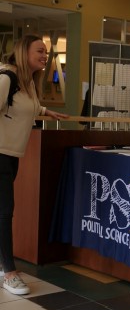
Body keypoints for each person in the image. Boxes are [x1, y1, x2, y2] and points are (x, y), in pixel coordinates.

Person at [0, 34, 69, 295]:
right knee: (5, 213)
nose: (44, 56)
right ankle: (9, 272)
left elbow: (25, 105)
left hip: (10, 153)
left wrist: (45, 111)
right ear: (22, 52)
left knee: (2, 211)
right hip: (0, 153)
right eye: (39, 51)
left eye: (46, 52)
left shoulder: (26, 82)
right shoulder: (8, 77)